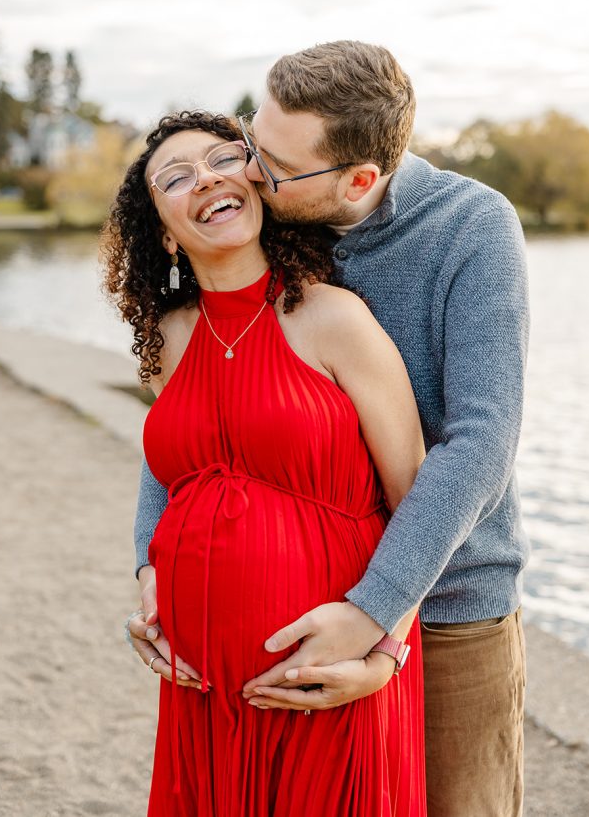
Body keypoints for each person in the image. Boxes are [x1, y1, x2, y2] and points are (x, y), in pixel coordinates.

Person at [129, 41, 530, 817]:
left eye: (271, 166)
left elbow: (480, 445)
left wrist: (377, 618)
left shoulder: (469, 227)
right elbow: (200, 420)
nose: (246, 174)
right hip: (286, 629)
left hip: (445, 605)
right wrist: (154, 566)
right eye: (251, 141)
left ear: (357, 181)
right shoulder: (276, 222)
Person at [104, 109, 426, 816]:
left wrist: (385, 652)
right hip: (201, 684)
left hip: (331, 673)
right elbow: (176, 479)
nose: (206, 179)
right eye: (176, 177)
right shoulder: (164, 342)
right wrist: (150, 578)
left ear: (256, 184)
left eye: (225, 159)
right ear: (163, 230)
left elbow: (416, 498)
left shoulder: (335, 318)